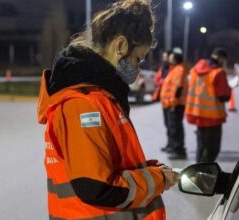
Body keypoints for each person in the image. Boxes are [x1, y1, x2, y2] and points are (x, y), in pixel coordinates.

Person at [36, 1, 179, 219]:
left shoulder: (103, 98)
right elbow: (96, 187)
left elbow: (111, 162)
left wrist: (153, 169)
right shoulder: (84, 105)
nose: (138, 69)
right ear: (120, 46)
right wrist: (156, 179)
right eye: (137, 59)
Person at [185, 48, 232, 163]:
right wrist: (229, 88)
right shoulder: (218, 72)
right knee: (213, 149)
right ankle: (204, 173)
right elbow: (223, 96)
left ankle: (196, 172)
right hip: (213, 117)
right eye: (223, 60)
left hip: (198, 114)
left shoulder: (194, 70)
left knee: (201, 146)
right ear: (220, 58)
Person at [160, 48, 188, 160]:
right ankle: (175, 148)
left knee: (176, 128)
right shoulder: (174, 69)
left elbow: (178, 89)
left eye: (171, 57)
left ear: (175, 59)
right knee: (173, 127)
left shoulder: (179, 70)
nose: (168, 59)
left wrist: (173, 103)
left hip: (175, 105)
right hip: (171, 104)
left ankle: (179, 150)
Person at [152, 50, 173, 152]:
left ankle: (173, 145)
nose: (164, 59)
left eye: (166, 57)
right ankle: (169, 144)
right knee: (167, 124)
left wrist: (163, 82)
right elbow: (156, 79)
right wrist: (162, 82)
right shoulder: (163, 68)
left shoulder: (174, 69)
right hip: (164, 100)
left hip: (172, 101)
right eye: (164, 57)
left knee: (172, 125)